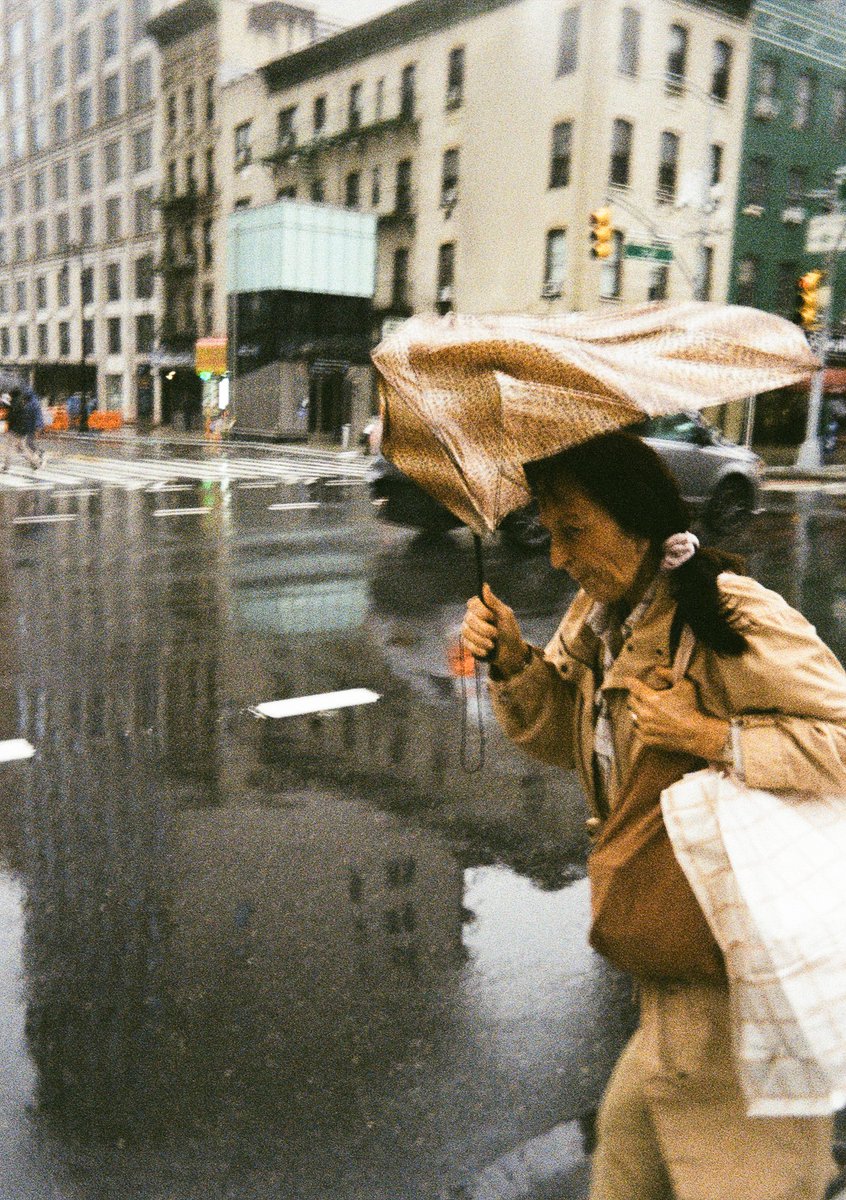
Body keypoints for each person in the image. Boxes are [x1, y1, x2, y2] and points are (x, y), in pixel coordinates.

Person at [461, 430, 846, 1200]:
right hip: (670, 960)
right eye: (550, 531)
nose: (558, 556)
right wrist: (511, 660)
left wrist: (710, 737)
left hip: (736, 971)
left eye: (574, 530)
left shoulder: (730, 612)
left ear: (638, 523)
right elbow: (569, 736)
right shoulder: (600, 618)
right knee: (626, 1168)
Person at [2, 385, 45, 470]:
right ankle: (34, 463)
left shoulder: (15, 402)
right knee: (22, 447)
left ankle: (6, 466)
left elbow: (12, 415)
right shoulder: (21, 401)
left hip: (14, 428)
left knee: (9, 447)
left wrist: (6, 419)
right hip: (21, 428)